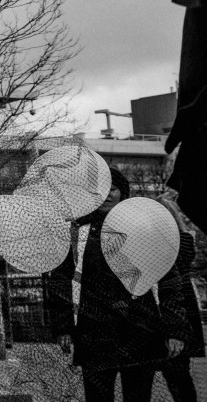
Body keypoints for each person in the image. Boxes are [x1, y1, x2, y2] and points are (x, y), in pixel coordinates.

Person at [47, 168, 190, 402]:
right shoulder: (77, 235)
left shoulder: (145, 230)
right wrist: (63, 327)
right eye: (99, 190)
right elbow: (61, 282)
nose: (106, 195)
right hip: (94, 336)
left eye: (112, 189)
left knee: (138, 396)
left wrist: (175, 329)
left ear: (122, 193)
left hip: (140, 332)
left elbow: (169, 282)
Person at [158, 192, 205, 402]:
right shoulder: (185, 238)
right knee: (179, 371)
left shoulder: (174, 241)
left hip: (176, 303)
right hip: (184, 303)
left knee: (175, 369)